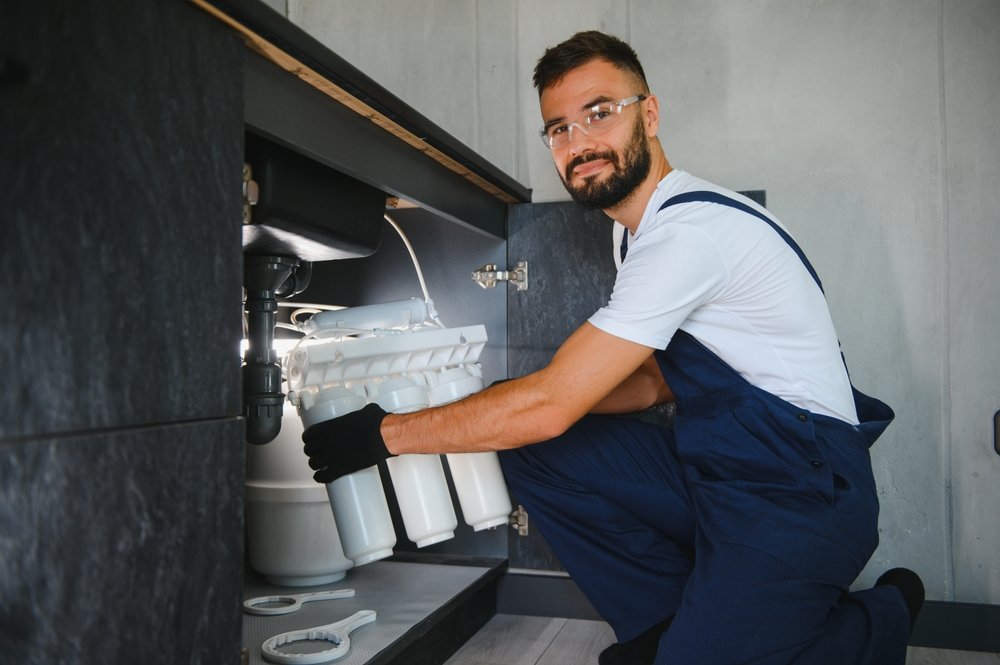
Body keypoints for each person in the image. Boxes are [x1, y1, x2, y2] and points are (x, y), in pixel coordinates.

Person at [303, 30, 924, 665]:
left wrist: (385, 433)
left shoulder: (687, 236)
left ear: (649, 114)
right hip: (726, 471)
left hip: (801, 493)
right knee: (534, 446)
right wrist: (501, 408)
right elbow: (654, 382)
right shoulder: (635, 237)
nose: (578, 144)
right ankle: (663, 625)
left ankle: (879, 619)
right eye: (559, 129)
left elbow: (550, 405)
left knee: (534, 425)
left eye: (599, 113)